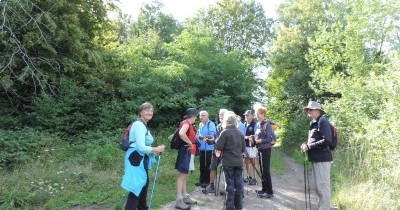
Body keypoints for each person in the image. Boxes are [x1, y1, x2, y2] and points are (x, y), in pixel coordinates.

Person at [121, 102, 166, 210]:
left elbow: (140, 145)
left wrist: (152, 151)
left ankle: (142, 207)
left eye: (151, 110)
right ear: (140, 112)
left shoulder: (142, 125)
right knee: (137, 187)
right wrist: (157, 149)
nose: (150, 112)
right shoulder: (139, 125)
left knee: (143, 185)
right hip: (135, 159)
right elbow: (141, 147)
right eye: (146, 110)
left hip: (139, 159)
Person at [301, 101, 333, 210]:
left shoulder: (322, 121)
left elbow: (327, 140)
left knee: (323, 187)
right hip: (316, 158)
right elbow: (314, 139)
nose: (309, 112)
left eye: (311, 110)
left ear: (317, 110)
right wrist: (306, 145)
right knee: (319, 187)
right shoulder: (313, 123)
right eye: (308, 110)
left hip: (323, 159)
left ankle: (325, 208)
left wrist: (309, 147)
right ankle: (322, 207)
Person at [215, 111, 246, 210]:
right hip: (238, 162)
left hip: (228, 162)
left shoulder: (225, 132)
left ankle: (229, 207)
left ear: (226, 122)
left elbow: (219, 146)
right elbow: (243, 149)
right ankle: (239, 206)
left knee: (230, 185)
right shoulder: (240, 133)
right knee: (239, 185)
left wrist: (217, 141)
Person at [175, 108, 198, 210]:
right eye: (196, 116)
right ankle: (179, 200)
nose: (196, 118)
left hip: (187, 152)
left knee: (185, 174)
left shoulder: (188, 123)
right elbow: (181, 133)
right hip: (185, 152)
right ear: (193, 116)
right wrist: (189, 143)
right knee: (182, 175)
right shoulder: (187, 124)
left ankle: (184, 196)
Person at [204, 108, 228, 193]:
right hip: (217, 150)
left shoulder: (229, 127)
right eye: (220, 114)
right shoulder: (218, 126)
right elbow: (216, 139)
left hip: (226, 152)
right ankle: (211, 185)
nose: (221, 116)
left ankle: (225, 187)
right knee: (213, 167)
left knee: (226, 169)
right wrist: (210, 141)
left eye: (223, 114)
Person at [254, 106, 274, 198]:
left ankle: (269, 192)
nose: (256, 115)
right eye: (256, 114)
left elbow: (269, 139)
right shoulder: (259, 124)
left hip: (266, 149)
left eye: (258, 114)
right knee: (262, 170)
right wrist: (253, 138)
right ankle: (264, 189)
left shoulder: (267, 124)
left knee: (265, 170)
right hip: (260, 149)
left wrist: (260, 141)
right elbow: (258, 135)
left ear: (263, 114)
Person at [195, 110, 217, 188]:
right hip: (201, 147)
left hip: (209, 148)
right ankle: (201, 180)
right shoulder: (200, 124)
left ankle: (207, 181)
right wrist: (198, 136)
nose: (201, 117)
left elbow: (212, 135)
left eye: (203, 115)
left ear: (207, 116)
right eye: (200, 115)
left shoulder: (211, 124)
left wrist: (203, 137)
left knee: (208, 165)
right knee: (201, 165)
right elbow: (197, 134)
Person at [243, 110, 258, 185]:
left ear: (252, 116)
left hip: (252, 146)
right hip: (245, 145)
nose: (246, 116)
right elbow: (242, 135)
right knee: (246, 161)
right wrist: (246, 137)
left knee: (252, 162)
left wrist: (250, 137)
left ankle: (254, 178)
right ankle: (249, 176)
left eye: (247, 115)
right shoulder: (244, 124)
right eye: (245, 115)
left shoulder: (255, 124)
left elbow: (256, 135)